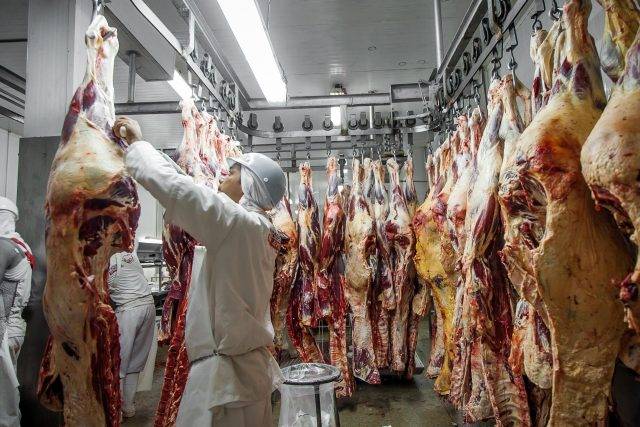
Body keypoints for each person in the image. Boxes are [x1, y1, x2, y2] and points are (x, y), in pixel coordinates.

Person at [114, 116, 285, 427]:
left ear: (247, 185)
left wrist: (138, 144)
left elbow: (179, 191)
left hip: (224, 386)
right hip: (246, 375)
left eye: (232, 173)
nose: (223, 176)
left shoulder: (236, 224)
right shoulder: (258, 229)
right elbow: (193, 191)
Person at [108, 245, 155, 419]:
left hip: (129, 309)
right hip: (148, 305)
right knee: (135, 362)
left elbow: (110, 284)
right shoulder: (131, 254)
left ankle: (116, 412)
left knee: (119, 362)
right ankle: (128, 407)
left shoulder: (112, 257)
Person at [0, 197, 33, 427]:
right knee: (7, 391)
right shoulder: (21, 245)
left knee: (4, 401)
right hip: (15, 327)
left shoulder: (4, 246)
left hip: (3, 330)